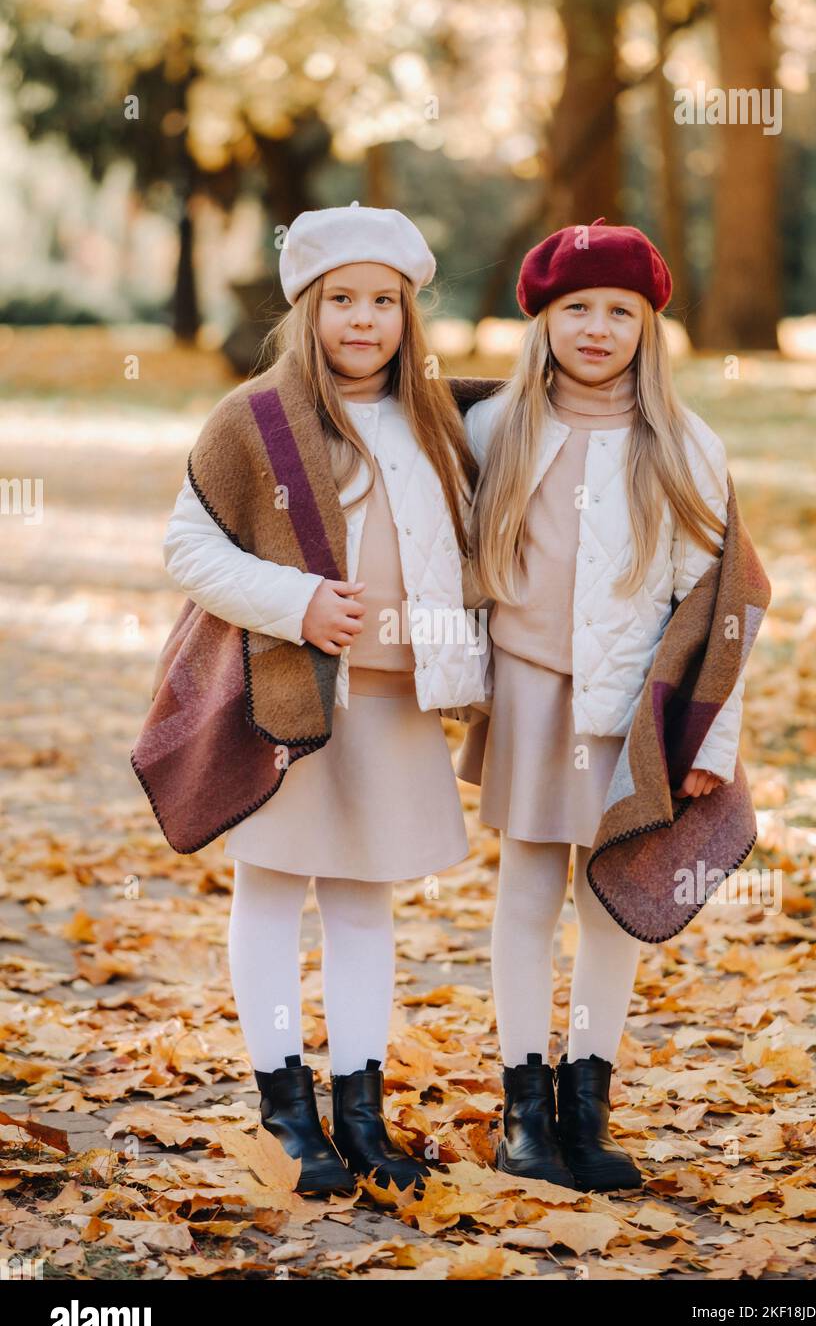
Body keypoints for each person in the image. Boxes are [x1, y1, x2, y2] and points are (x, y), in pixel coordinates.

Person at [161, 203, 489, 1196]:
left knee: (361, 900)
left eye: (382, 301)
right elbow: (187, 548)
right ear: (305, 308)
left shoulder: (439, 418)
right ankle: (284, 1106)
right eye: (340, 298)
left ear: (407, 313)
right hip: (292, 697)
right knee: (270, 890)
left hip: (394, 698)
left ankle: (359, 1109)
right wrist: (296, 600)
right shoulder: (255, 419)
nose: (362, 319)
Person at [459, 216, 747, 1193]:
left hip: (628, 707)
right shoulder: (495, 429)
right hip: (530, 697)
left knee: (611, 903)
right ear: (539, 321)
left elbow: (717, 601)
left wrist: (711, 731)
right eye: (572, 308)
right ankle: (520, 1110)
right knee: (526, 892)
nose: (594, 328)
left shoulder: (681, 443)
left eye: (616, 311)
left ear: (646, 326)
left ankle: (586, 1103)